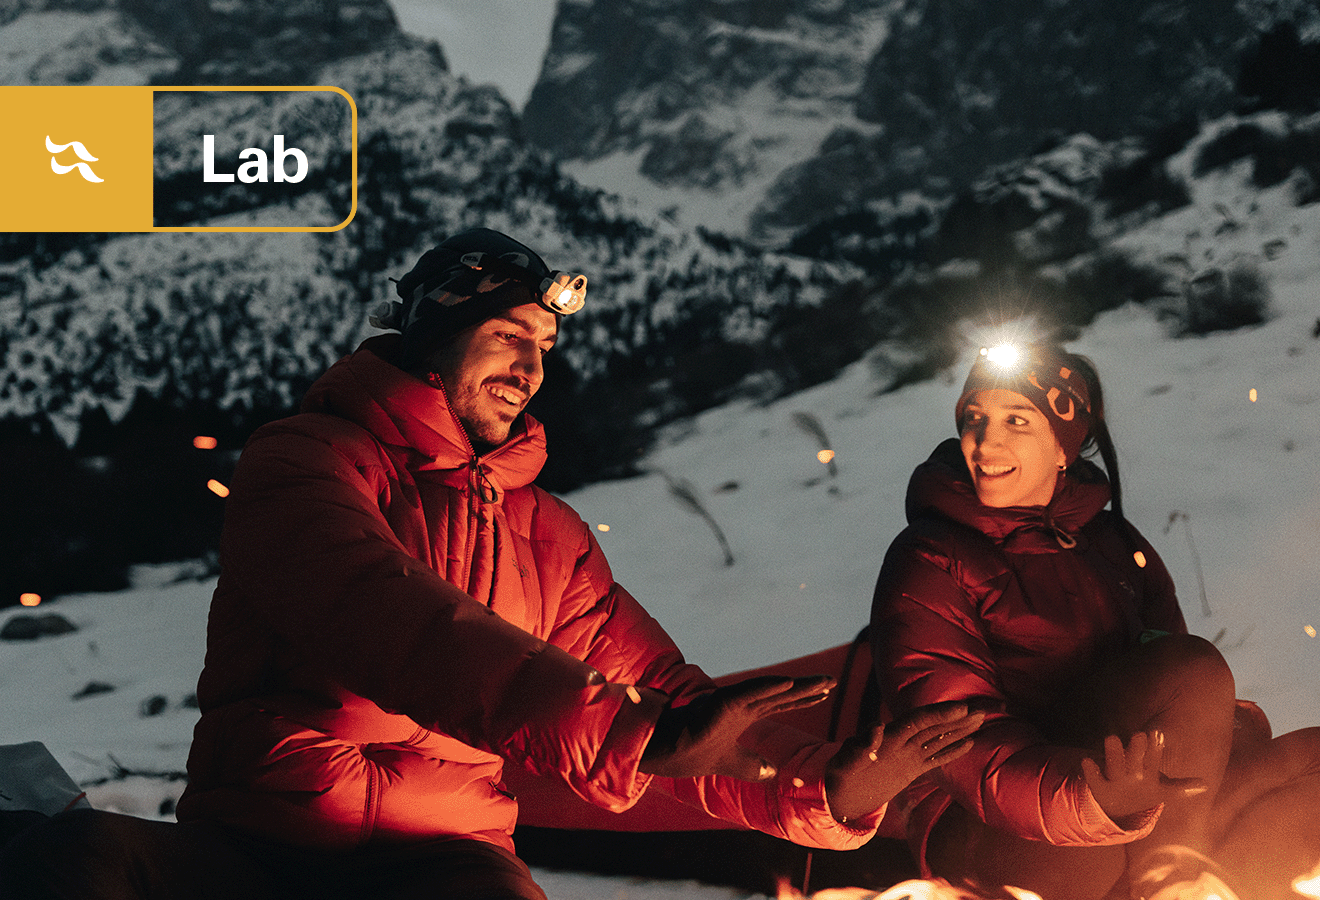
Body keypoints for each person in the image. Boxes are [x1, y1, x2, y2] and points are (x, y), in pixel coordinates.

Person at [0, 228, 981, 900]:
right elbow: (382, 616)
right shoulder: (306, 461)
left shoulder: (546, 534)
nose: (531, 364)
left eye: (545, 346)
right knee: (81, 856)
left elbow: (675, 711)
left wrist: (824, 795)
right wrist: (621, 733)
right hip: (257, 850)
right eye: (507, 336)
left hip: (446, 864)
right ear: (431, 343)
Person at [868, 342, 1320, 900]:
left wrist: (1210, 746)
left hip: (1133, 803)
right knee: (1189, 677)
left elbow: (1172, 694)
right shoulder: (933, 556)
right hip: (989, 825)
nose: (986, 441)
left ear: (1065, 448)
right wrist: (1091, 801)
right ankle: (1172, 882)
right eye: (974, 418)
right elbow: (955, 743)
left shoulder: (1112, 544)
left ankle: (1199, 877)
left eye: (1016, 420)